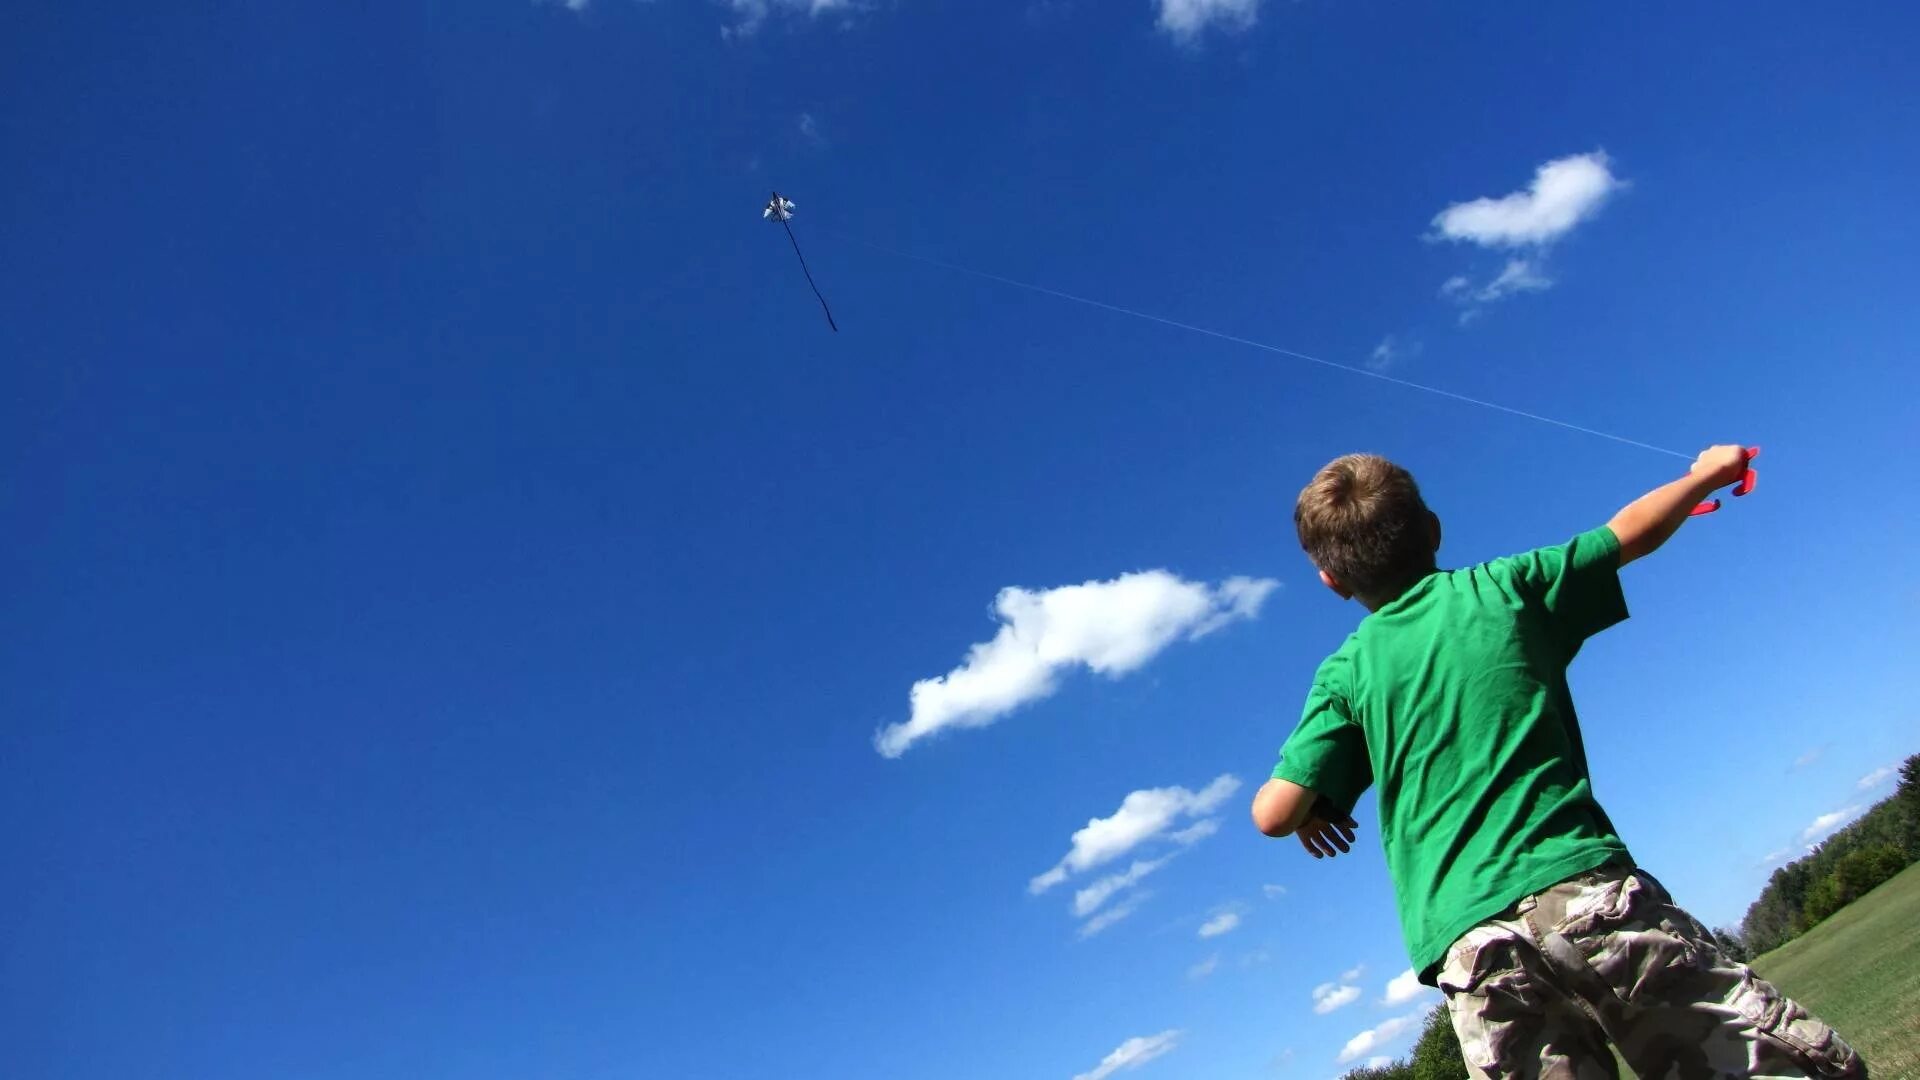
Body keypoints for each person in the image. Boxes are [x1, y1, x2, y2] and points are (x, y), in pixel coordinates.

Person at [1249, 447, 1864, 1079]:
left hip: (1471, 948)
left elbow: (1272, 812)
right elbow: (1629, 533)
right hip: (1585, 892)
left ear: (1332, 580)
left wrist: (1307, 809)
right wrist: (1706, 474)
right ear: (1432, 530)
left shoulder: (1345, 673)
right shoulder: (1502, 586)